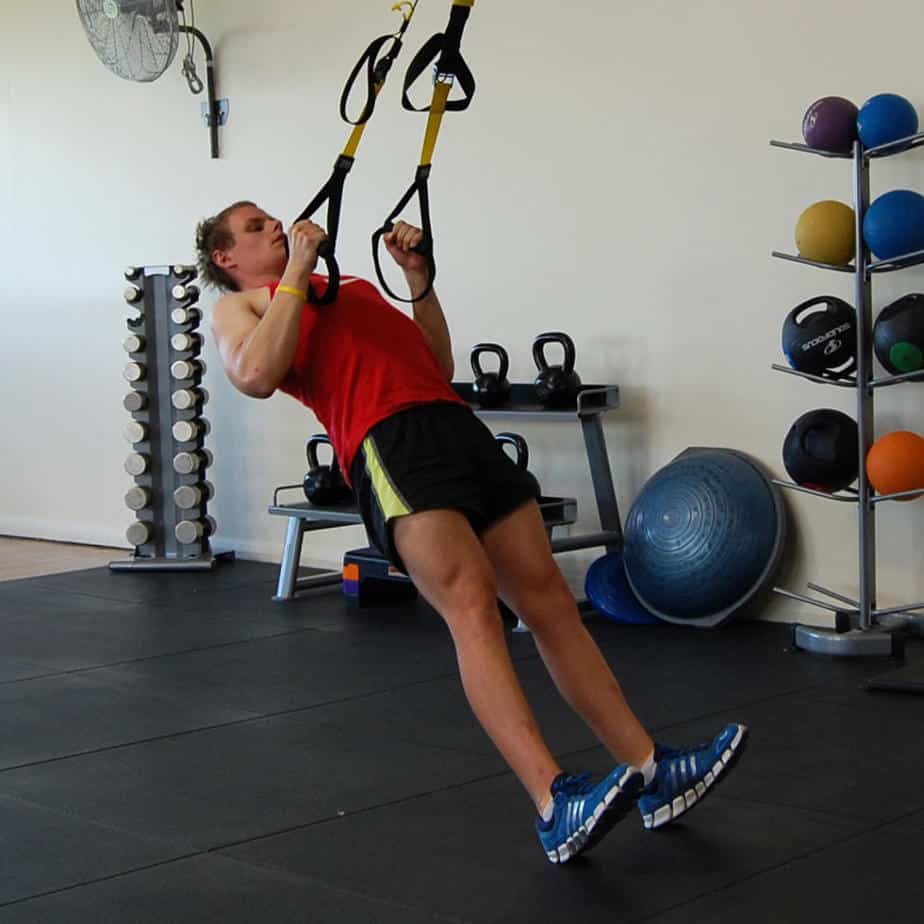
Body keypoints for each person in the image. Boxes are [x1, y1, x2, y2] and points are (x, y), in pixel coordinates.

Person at [194, 201, 749, 864]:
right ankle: (552, 802)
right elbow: (254, 375)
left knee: (548, 601)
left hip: (454, 426)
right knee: (472, 606)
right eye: (256, 228)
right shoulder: (242, 307)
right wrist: (298, 274)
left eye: (270, 218)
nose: (276, 226)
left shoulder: (350, 288)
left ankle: (654, 772)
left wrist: (419, 282)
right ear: (227, 259)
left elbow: (433, 359)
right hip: (387, 444)